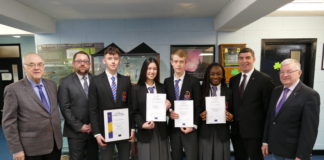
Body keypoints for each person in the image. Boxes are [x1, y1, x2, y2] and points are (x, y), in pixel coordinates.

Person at [2, 53, 62, 160]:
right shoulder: (13, 89)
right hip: (31, 149)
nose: (36, 68)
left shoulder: (51, 85)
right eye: (31, 65)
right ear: (24, 67)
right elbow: (8, 122)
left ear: (43, 67)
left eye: (40, 64)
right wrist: (16, 149)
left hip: (54, 145)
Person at [262, 59, 320, 160]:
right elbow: (270, 118)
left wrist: (301, 155)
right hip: (276, 149)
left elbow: (309, 130)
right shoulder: (276, 91)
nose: (284, 75)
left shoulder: (310, 95)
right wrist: (265, 141)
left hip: (294, 153)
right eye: (282, 72)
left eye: (289, 71)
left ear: (299, 73)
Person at [88, 46, 134, 160]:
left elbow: (130, 106)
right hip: (105, 131)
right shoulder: (95, 81)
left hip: (124, 130)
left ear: (119, 61)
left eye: (116, 58)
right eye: (110, 58)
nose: (113, 61)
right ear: (104, 60)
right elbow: (92, 109)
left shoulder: (126, 80)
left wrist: (132, 128)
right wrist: (97, 133)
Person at [229, 48, 274, 160]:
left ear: (253, 59)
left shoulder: (265, 80)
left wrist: (266, 137)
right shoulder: (233, 80)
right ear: (238, 61)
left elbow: (269, 109)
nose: (244, 61)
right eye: (241, 58)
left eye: (247, 57)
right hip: (236, 131)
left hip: (255, 133)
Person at [58, 51, 98, 160]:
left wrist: (93, 125)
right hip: (75, 132)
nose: (82, 64)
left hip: (93, 132)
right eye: (79, 61)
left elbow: (99, 105)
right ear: (73, 64)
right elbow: (65, 108)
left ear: (89, 64)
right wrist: (80, 126)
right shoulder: (65, 82)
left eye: (85, 61)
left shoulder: (96, 80)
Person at [164, 49, 201, 160]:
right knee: (175, 157)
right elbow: (166, 104)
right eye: (175, 61)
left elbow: (199, 105)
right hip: (174, 129)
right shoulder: (167, 82)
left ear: (185, 63)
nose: (178, 64)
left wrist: (193, 125)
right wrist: (169, 113)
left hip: (190, 128)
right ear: (171, 62)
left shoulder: (194, 81)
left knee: (192, 157)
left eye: (181, 61)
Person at [132, 57, 171, 160]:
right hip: (146, 132)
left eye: (155, 69)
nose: (152, 71)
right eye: (149, 68)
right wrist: (142, 124)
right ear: (144, 70)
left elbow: (167, 111)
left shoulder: (162, 87)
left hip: (161, 131)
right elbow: (134, 112)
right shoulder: (136, 89)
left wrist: (168, 107)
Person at [198, 63, 233, 160]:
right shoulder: (200, 91)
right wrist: (200, 115)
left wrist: (231, 117)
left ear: (223, 75)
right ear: (208, 75)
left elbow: (234, 112)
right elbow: (196, 110)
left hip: (222, 134)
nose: (215, 76)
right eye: (212, 74)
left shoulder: (229, 91)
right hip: (205, 133)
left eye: (219, 74)